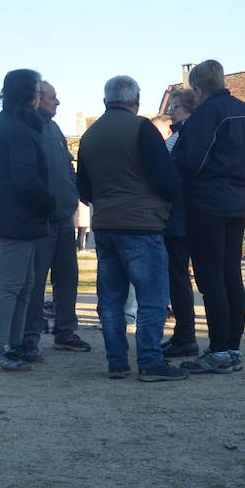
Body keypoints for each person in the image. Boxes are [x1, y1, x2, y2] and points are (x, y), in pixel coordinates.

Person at [77, 76, 187, 381]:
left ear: (105, 100)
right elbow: (165, 177)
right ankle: (151, 362)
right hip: (142, 224)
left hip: (106, 225)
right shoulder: (142, 129)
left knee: (111, 299)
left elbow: (83, 189)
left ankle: (117, 362)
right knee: (151, 298)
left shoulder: (90, 136)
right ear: (136, 100)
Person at [172, 59, 245, 374]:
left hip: (207, 200)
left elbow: (190, 160)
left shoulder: (206, 114)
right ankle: (232, 348)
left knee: (211, 280)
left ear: (197, 88)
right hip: (238, 198)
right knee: (231, 276)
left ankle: (219, 349)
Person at [0, 68, 55, 371]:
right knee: (12, 285)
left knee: (25, 284)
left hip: (18, 214)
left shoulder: (10, 123)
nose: (41, 95)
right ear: (27, 93)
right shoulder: (16, 128)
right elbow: (25, 179)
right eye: (38, 90)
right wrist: (49, 202)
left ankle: (13, 345)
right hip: (18, 215)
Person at [21, 81, 90, 356]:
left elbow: (65, 166)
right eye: (53, 97)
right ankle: (29, 337)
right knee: (36, 281)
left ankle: (65, 331)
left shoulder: (53, 127)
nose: (58, 102)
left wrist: (75, 191)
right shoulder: (27, 127)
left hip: (64, 216)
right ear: (37, 99)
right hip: (40, 218)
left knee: (67, 277)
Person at [159, 88, 199, 358]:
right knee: (179, 279)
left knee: (179, 279)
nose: (170, 111)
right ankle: (184, 334)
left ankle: (186, 336)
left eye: (176, 107)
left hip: (180, 217)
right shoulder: (180, 136)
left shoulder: (185, 137)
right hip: (180, 217)